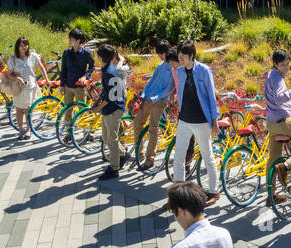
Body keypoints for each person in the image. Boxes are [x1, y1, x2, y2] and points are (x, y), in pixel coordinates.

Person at [172, 40, 221, 205]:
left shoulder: (204, 70)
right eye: (179, 56)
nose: (180, 59)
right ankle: (178, 194)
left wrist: (215, 121)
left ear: (191, 56)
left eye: (183, 56)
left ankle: (214, 192)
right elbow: (181, 92)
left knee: (208, 156)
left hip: (201, 121)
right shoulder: (180, 71)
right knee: (178, 156)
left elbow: (211, 98)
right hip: (184, 119)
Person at [263, 49, 291, 205]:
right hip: (285, 121)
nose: (286, 67)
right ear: (275, 64)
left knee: (273, 159)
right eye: (282, 65)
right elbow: (278, 98)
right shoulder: (278, 78)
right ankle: (286, 167)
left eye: (288, 63)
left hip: (271, 123)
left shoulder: (270, 74)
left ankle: (271, 195)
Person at [136, 40, 177, 171]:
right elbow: (151, 81)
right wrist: (143, 95)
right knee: (137, 124)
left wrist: (155, 98)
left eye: (161, 55)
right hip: (148, 98)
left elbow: (169, 88)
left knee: (153, 129)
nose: (160, 57)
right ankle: (139, 151)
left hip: (159, 101)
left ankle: (150, 160)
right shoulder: (160, 66)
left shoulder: (174, 68)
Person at [92, 43, 131, 179]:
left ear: (101, 57)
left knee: (112, 139)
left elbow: (111, 97)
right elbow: (107, 91)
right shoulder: (107, 68)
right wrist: (98, 98)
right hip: (109, 108)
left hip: (114, 109)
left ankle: (114, 168)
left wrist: (98, 107)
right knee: (106, 137)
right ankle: (123, 154)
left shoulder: (109, 72)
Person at [2, 36, 51, 140]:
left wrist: (47, 79)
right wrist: (17, 78)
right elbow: (9, 74)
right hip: (18, 88)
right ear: (17, 47)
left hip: (30, 86)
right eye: (21, 45)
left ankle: (28, 129)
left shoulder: (33, 56)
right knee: (19, 109)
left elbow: (41, 68)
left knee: (28, 109)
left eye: (25, 45)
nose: (23, 47)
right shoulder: (12, 59)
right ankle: (20, 129)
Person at [59, 27, 95, 107]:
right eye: (69, 38)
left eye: (71, 39)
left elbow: (92, 67)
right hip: (68, 85)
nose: (69, 40)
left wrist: (85, 77)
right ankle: (68, 120)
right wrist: (61, 85)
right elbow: (63, 69)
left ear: (78, 40)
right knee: (67, 110)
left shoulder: (86, 53)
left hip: (80, 86)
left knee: (82, 110)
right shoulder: (66, 52)